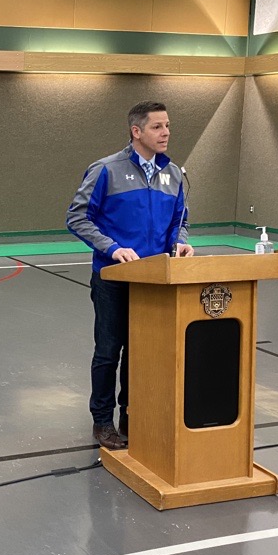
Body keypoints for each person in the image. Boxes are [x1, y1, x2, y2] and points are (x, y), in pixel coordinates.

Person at [66, 101, 193, 450]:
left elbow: (180, 220)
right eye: (157, 127)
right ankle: (103, 421)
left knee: (143, 351)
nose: (165, 132)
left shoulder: (175, 175)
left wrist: (181, 243)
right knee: (109, 351)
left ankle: (133, 416)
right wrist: (112, 248)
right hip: (112, 278)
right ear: (136, 131)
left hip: (154, 281)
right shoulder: (105, 170)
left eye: (167, 125)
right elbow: (77, 218)